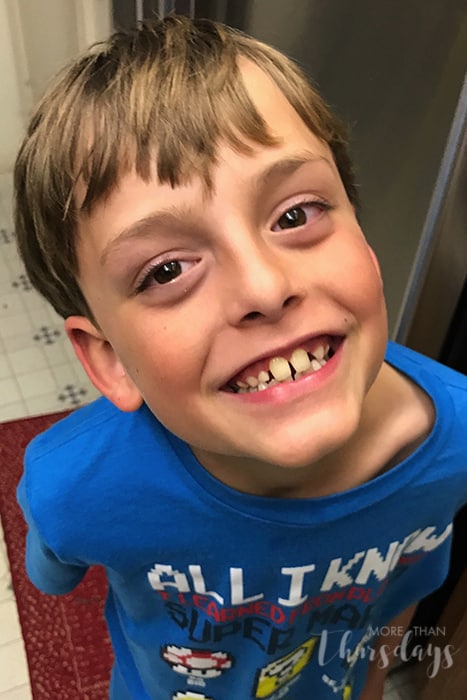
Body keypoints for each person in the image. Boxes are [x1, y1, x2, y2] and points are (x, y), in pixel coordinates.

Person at [14, 15, 467, 700]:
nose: (263, 286)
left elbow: (397, 605)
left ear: (366, 245)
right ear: (110, 361)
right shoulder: (73, 485)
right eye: (167, 270)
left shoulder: (456, 443)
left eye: (295, 214)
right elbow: (52, 573)